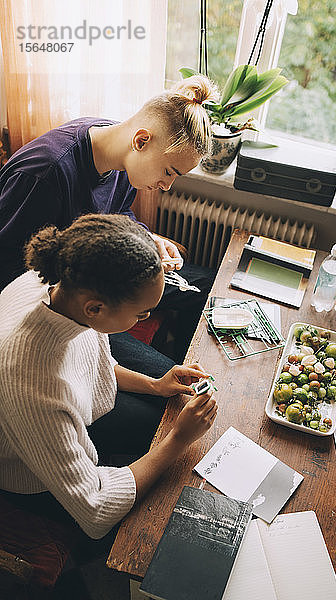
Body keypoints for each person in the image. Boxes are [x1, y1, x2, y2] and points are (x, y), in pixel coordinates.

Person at [0, 214, 217, 541]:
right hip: (28, 473)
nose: (144, 318)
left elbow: (89, 363)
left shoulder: (59, 285)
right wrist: (178, 440)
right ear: (95, 309)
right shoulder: (33, 382)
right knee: (173, 462)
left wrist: (155, 386)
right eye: (141, 313)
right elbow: (96, 507)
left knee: (161, 418)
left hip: (49, 418)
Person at [0, 74, 218, 361]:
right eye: (168, 172)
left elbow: (117, 214)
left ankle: (186, 354)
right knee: (170, 377)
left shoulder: (124, 158)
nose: (167, 186)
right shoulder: (44, 176)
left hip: (110, 274)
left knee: (209, 288)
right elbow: (11, 276)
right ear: (142, 140)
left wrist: (147, 239)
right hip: (68, 304)